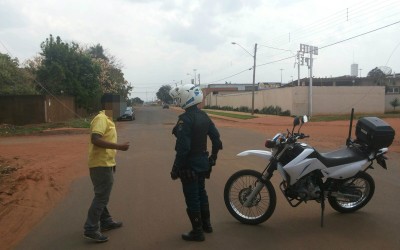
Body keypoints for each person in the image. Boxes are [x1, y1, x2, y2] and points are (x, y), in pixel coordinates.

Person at [169, 84, 223, 242]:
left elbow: (183, 149)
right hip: (203, 163)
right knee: (202, 193)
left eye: (179, 98)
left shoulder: (184, 119)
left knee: (192, 197)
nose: (177, 101)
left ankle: (197, 232)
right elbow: (217, 139)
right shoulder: (204, 116)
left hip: (189, 166)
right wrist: (213, 157)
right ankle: (207, 225)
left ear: (186, 98)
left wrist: (175, 168)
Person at [83, 94, 130, 243]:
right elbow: (95, 139)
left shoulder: (108, 119)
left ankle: (106, 221)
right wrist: (119, 147)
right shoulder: (101, 119)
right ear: (109, 105)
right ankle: (90, 228)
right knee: (101, 197)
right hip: (100, 164)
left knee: (102, 195)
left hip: (106, 163)